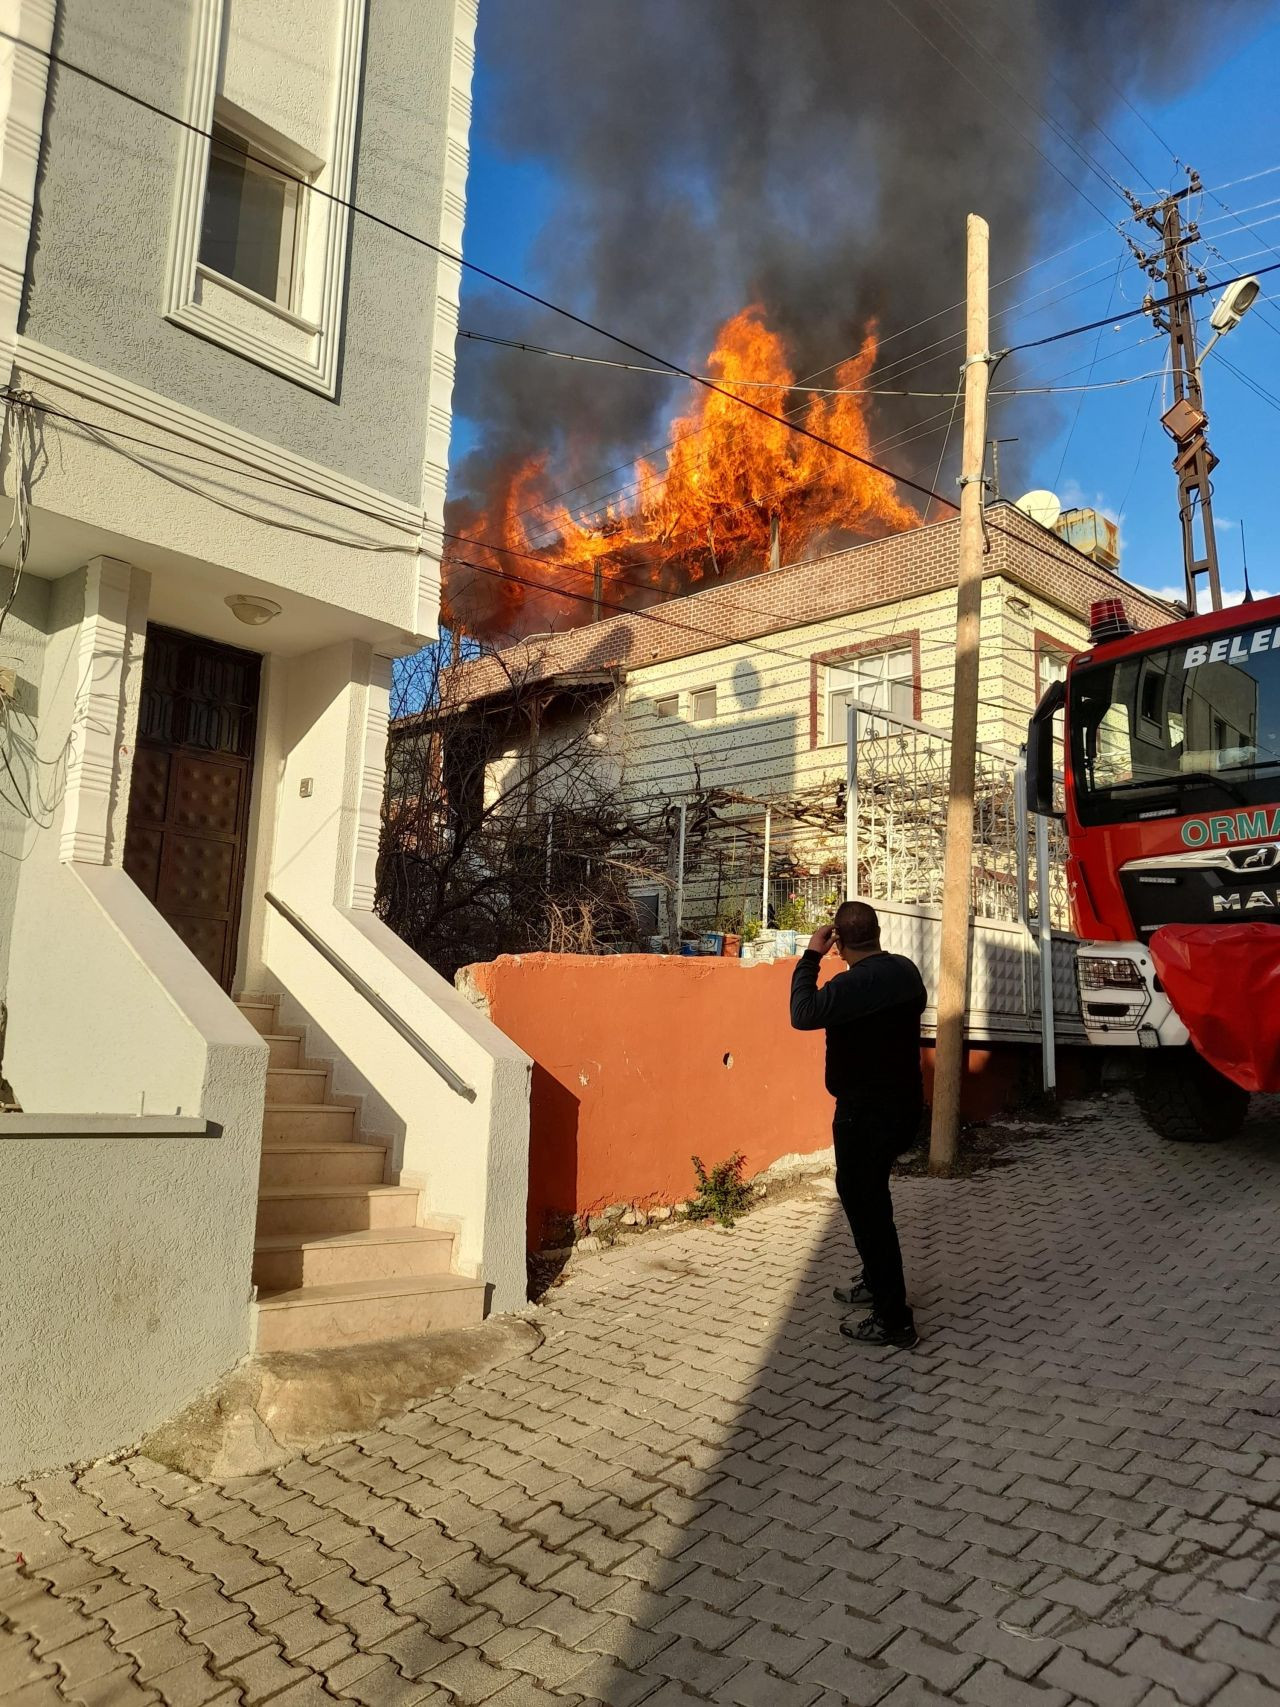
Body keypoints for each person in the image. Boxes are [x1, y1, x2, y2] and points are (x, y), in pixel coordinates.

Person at [790, 899, 927, 1349]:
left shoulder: (849, 986)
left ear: (839, 942)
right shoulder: (905, 971)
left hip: (864, 1114)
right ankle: (875, 1280)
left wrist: (811, 955)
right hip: (904, 1107)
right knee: (870, 1201)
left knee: (869, 1211)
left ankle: (893, 1319)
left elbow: (802, 1013)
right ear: (879, 933)